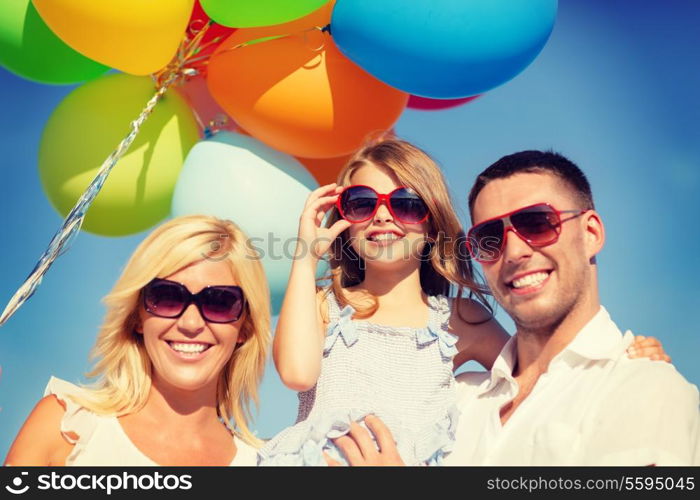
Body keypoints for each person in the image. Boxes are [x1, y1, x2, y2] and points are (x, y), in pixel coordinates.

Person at [259, 139, 669, 466]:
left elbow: (540, 377)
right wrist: (304, 256)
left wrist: (621, 362)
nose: (382, 217)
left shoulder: (459, 319)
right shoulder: (323, 305)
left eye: (405, 204)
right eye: (362, 203)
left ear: (433, 223)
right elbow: (297, 374)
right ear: (344, 222)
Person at [4, 215, 271, 466]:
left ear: (245, 327)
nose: (191, 323)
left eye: (219, 302)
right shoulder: (66, 428)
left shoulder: (264, 465)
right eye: (167, 296)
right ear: (137, 316)